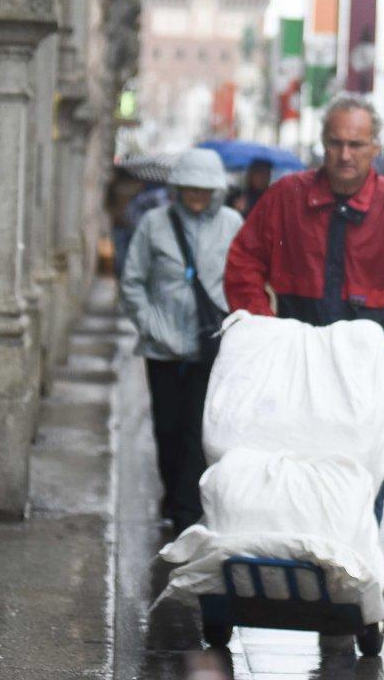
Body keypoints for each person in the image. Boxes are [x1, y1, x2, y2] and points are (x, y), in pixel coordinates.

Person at [224, 93, 384, 520]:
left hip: (367, 365)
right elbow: (244, 261)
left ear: (375, 148)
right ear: (322, 144)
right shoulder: (285, 198)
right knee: (290, 461)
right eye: (336, 143)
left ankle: (358, 562)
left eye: (356, 144)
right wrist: (260, 325)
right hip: (295, 356)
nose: (345, 155)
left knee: (363, 469)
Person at [119, 148, 242, 535]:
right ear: (178, 188)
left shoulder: (231, 223)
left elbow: (242, 278)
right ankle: (173, 495)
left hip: (210, 345)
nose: (197, 197)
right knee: (167, 428)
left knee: (197, 429)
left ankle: (188, 512)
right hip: (163, 348)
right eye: (190, 189)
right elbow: (133, 281)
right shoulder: (155, 223)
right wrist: (151, 324)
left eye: (205, 190)